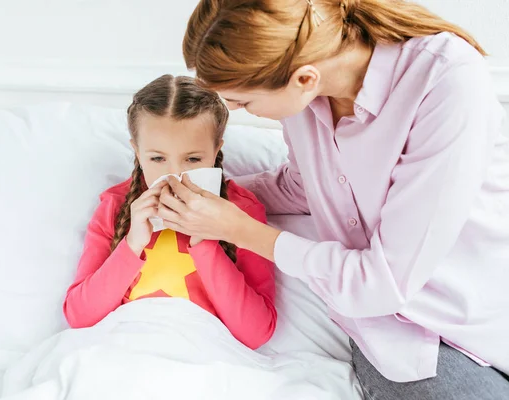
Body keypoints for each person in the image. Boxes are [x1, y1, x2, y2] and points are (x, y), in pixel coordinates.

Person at [156, 0, 509, 397]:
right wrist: (210, 189)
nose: (236, 111)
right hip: (395, 335)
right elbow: (305, 187)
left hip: (480, 311)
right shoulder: (303, 91)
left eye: (243, 102)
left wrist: (237, 229)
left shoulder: (446, 79)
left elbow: (381, 282)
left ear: (304, 79)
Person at [63, 74, 277, 350]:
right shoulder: (115, 206)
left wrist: (206, 238)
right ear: (137, 152)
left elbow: (256, 334)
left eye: (193, 159)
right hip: (124, 349)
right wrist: (132, 244)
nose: (174, 174)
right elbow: (80, 317)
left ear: (216, 150)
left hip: (205, 353)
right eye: (157, 158)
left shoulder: (242, 210)